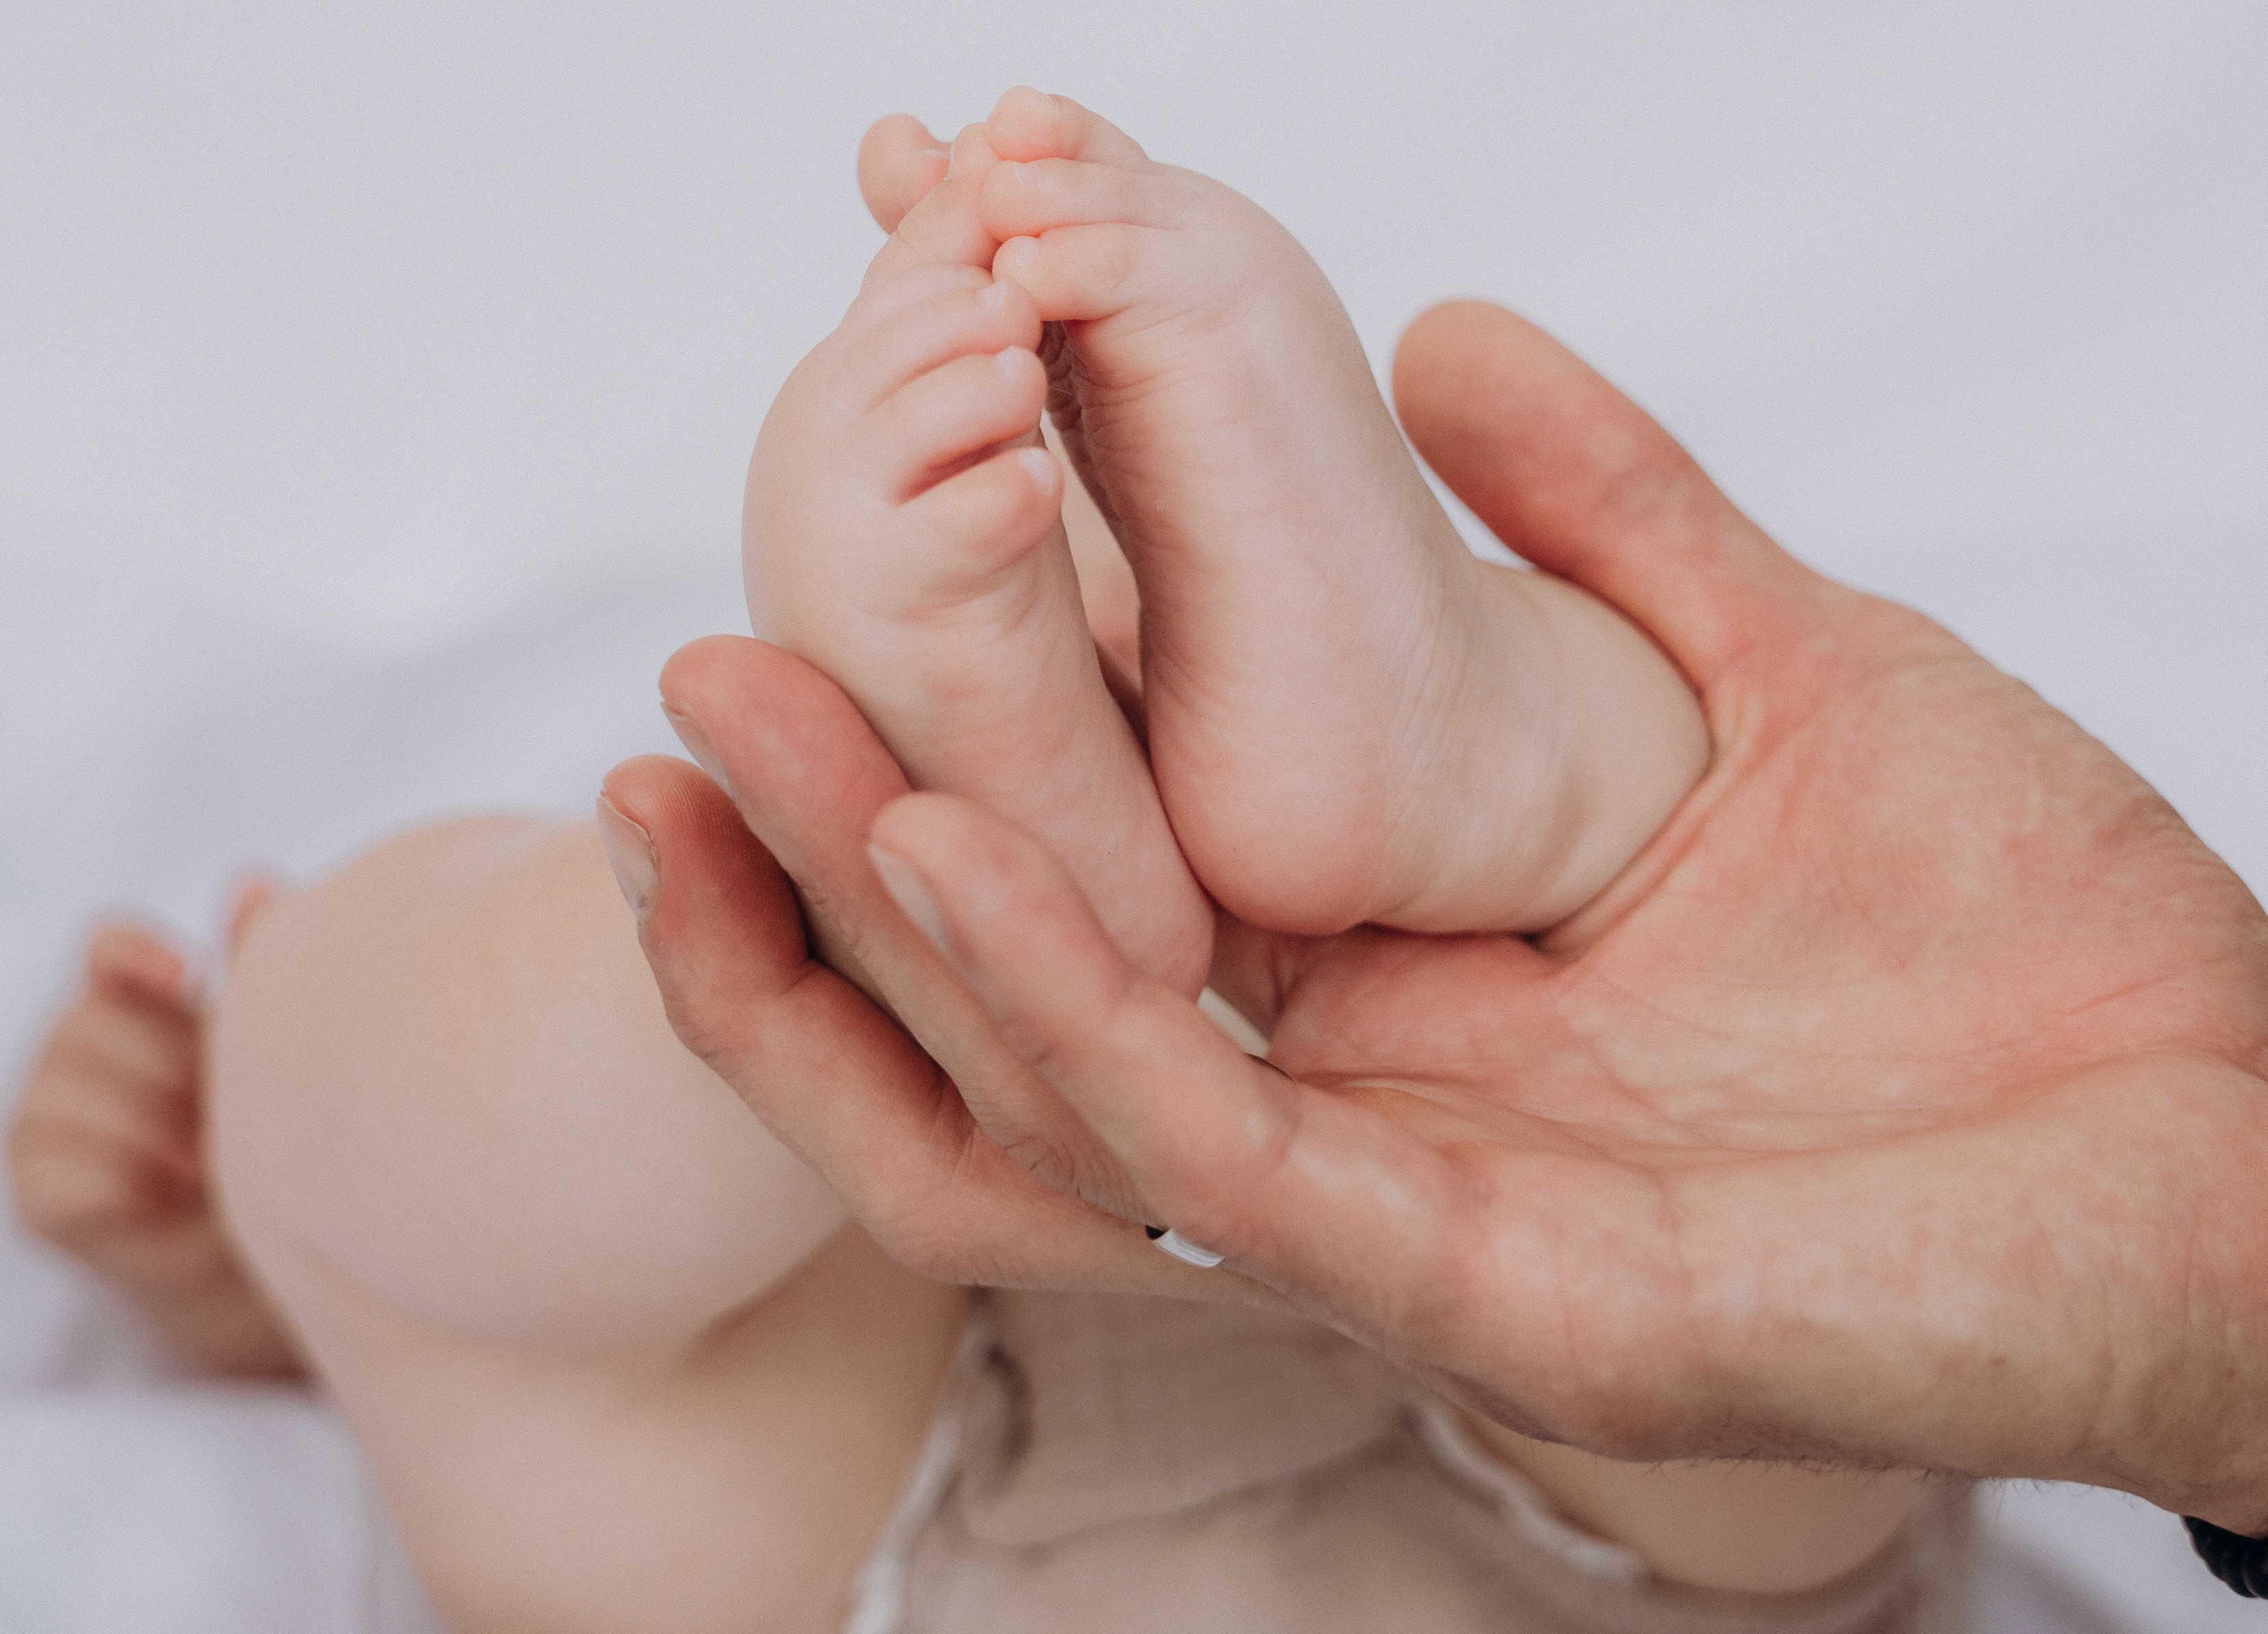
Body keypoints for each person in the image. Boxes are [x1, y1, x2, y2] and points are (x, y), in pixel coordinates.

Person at [8, 92, 1971, 1633]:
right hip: (1625, 1480)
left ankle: (854, 941)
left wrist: (256, 1231)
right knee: (1750, 1137)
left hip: (896, 1539)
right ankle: (1513, 790)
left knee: (351, 1110)